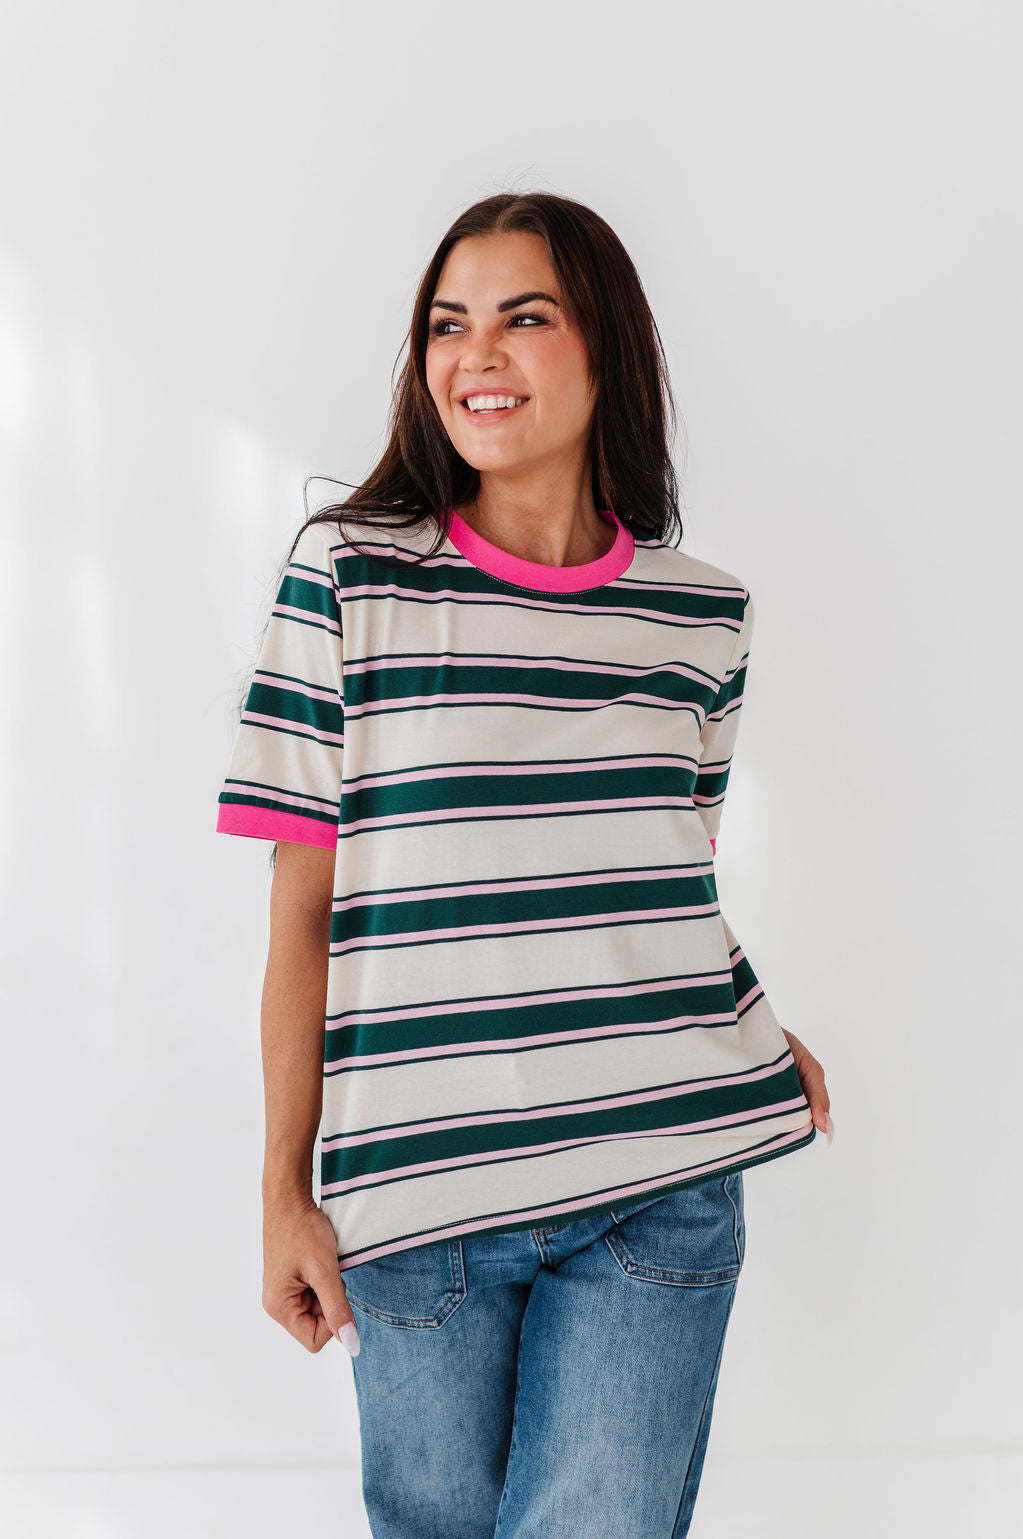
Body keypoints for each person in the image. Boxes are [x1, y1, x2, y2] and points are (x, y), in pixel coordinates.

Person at [215, 190, 833, 1538]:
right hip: (416, 1200)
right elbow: (303, 911)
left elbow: (656, 882)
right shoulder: (350, 580)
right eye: (448, 325)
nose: (475, 356)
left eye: (524, 317)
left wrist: (753, 1030)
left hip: (660, 1175)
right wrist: (281, 1193)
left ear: (607, 346)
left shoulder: (704, 616)